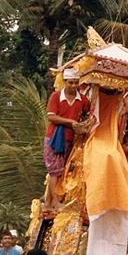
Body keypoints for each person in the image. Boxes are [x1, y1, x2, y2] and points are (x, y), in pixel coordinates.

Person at [44, 68, 92, 211]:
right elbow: (51, 116)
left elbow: (87, 115)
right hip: (53, 138)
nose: (73, 85)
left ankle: (48, 203)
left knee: (61, 171)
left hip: (69, 139)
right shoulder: (56, 96)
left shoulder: (82, 100)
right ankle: (55, 202)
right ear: (65, 82)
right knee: (55, 171)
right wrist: (70, 122)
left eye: (76, 83)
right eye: (70, 83)